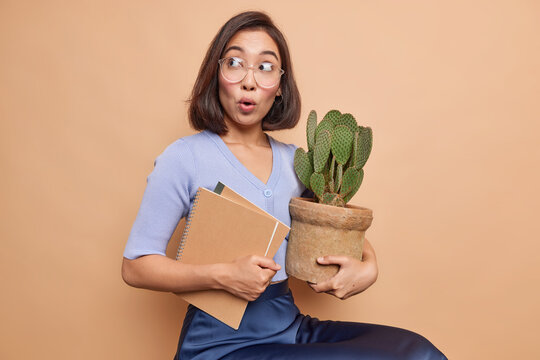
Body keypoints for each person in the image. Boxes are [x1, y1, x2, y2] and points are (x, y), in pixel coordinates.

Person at [122, 10, 447, 360]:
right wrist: (222, 276)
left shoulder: (298, 163)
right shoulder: (184, 157)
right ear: (216, 74)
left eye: (265, 67)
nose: (249, 81)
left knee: (417, 352)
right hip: (218, 344)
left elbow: (337, 231)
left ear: (279, 87)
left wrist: (369, 264)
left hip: (291, 329)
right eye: (235, 63)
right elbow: (136, 265)